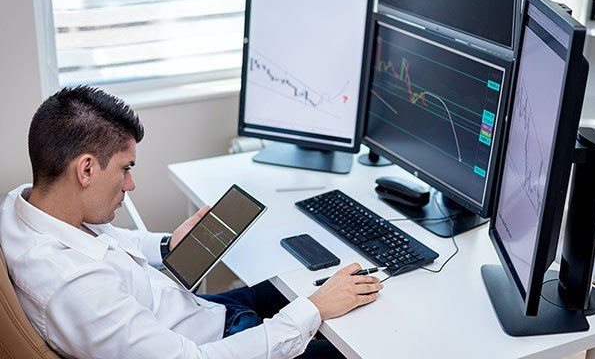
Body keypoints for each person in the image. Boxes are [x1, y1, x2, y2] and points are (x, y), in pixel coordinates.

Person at [0, 86, 383, 359]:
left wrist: (167, 246)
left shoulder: (28, 205)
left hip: (196, 313)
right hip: (211, 343)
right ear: (86, 169)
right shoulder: (78, 292)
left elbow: (109, 239)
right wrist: (314, 310)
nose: (131, 184)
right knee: (359, 343)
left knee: (299, 276)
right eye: (125, 169)